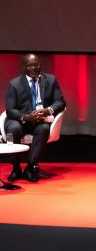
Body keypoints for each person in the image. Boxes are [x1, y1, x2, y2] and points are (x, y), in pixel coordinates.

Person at [5, 54, 66, 182]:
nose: (34, 68)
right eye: (30, 65)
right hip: (21, 120)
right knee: (13, 128)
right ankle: (16, 168)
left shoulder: (50, 80)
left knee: (43, 129)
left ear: (40, 65)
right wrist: (26, 117)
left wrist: (47, 110)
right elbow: (10, 110)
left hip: (40, 121)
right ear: (24, 67)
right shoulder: (14, 84)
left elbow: (60, 102)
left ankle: (31, 167)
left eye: (36, 65)